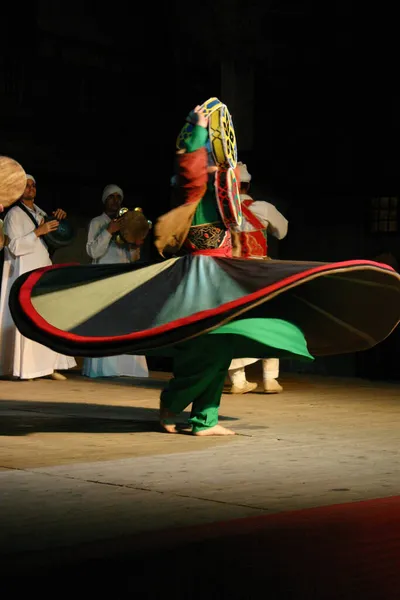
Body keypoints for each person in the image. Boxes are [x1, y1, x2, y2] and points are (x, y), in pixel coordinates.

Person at [8, 104, 400, 438]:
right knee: (209, 342)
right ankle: (181, 407)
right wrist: (197, 129)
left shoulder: (224, 187)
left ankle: (203, 416)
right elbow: (190, 164)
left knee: (224, 341)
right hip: (201, 276)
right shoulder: (196, 186)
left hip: (227, 272)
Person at [0, 174, 76, 380]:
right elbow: (14, 246)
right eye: (26, 185)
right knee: (28, 318)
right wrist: (37, 232)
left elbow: (57, 236)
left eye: (33, 185)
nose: (31, 188)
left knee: (46, 316)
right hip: (24, 271)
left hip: (42, 269)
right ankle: (28, 368)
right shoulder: (14, 214)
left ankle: (48, 366)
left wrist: (60, 220)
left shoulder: (41, 211)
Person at [228, 162, 288, 394]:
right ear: (249, 185)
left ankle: (238, 381)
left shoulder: (224, 211)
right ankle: (270, 378)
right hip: (260, 271)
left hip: (232, 272)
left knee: (235, 322)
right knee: (269, 319)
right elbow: (282, 231)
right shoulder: (262, 208)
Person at [82, 184, 149, 379]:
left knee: (125, 323)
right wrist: (109, 231)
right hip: (103, 277)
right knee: (104, 323)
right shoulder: (97, 222)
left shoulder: (128, 221)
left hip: (123, 277)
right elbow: (93, 252)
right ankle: (103, 370)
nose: (115, 200)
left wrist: (137, 244)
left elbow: (133, 257)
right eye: (111, 197)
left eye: (118, 197)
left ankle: (127, 368)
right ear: (104, 200)